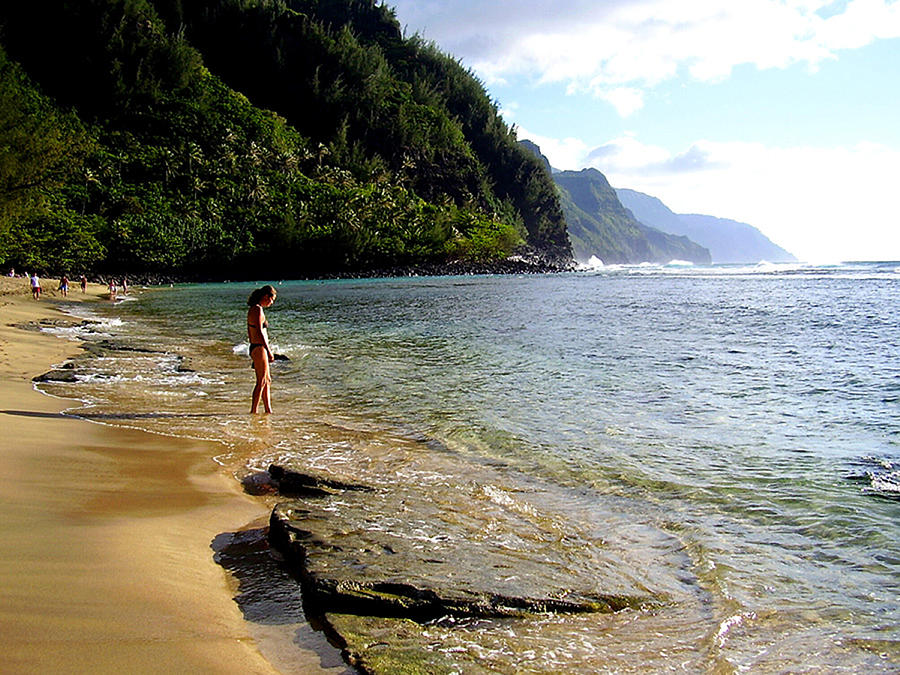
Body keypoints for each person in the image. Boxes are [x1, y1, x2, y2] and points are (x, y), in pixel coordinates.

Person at [247, 285, 277, 414]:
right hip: (259, 348)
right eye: (272, 299)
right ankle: (253, 411)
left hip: (257, 347)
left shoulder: (255, 309)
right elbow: (259, 332)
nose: (272, 303)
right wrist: (268, 350)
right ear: (266, 296)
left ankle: (267, 410)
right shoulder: (257, 310)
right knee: (261, 381)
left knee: (267, 380)